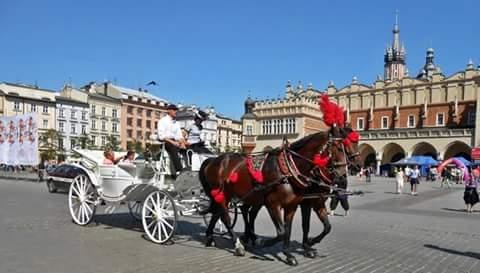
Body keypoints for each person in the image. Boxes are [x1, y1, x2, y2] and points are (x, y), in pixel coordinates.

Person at [157, 104, 187, 175]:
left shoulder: (176, 123)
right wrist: (173, 142)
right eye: (174, 110)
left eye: (176, 110)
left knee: (189, 148)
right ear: (168, 111)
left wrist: (183, 143)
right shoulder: (162, 121)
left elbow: (179, 136)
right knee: (173, 148)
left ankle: (189, 167)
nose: (176, 111)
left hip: (175, 141)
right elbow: (161, 136)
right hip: (165, 141)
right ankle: (179, 170)